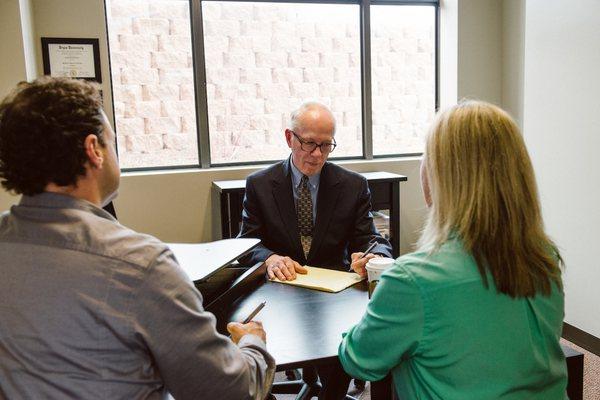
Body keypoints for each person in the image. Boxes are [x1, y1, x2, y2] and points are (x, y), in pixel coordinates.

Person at [0, 77, 275, 399]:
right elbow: (230, 391)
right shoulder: (141, 265)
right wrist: (252, 343)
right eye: (111, 141)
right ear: (93, 150)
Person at [338, 100, 568, 399]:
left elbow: (359, 362)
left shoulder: (412, 280)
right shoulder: (544, 256)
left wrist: (375, 313)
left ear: (441, 177)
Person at [237, 102, 392, 281]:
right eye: (309, 143)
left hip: (336, 286)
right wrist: (269, 259)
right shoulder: (260, 184)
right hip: (281, 284)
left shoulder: (353, 185)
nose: (318, 154)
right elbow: (246, 244)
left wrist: (374, 258)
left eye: (326, 145)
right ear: (289, 138)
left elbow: (370, 239)